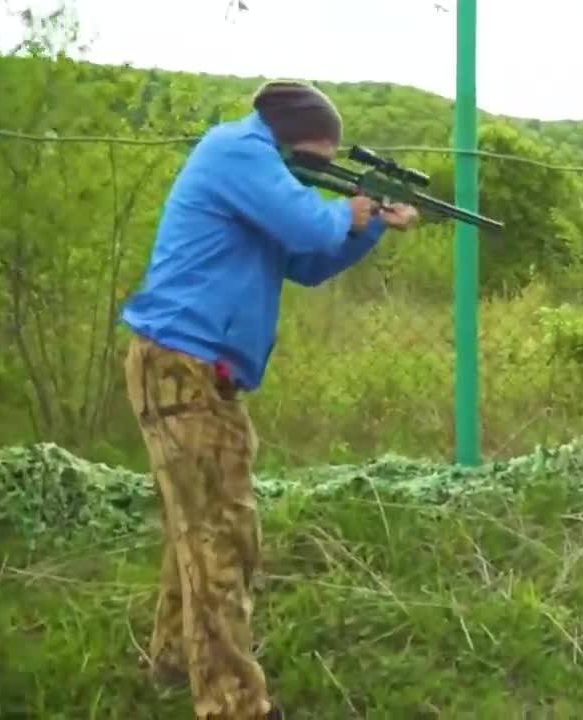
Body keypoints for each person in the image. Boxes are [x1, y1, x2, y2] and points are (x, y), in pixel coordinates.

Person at [119, 79, 419, 720]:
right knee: (222, 539)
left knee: (201, 534)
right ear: (291, 138)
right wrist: (351, 209)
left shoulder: (256, 175)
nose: (319, 172)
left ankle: (177, 664)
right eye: (317, 159)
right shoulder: (238, 150)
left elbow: (308, 261)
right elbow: (311, 224)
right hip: (183, 367)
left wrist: (368, 227)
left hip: (199, 372)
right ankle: (233, 705)